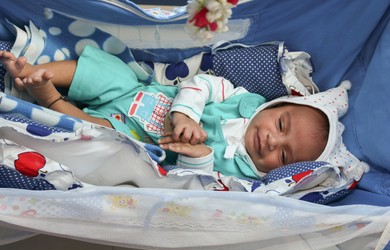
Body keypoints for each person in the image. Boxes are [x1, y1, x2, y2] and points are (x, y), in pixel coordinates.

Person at [1, 45, 349, 180]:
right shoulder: (247, 100)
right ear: (276, 106)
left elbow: (196, 187)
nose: (272, 140)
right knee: (107, 73)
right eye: (281, 123)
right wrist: (185, 114)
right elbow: (202, 84)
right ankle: (36, 70)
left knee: (103, 139)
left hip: (135, 137)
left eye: (284, 154)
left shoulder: (243, 176)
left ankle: (49, 100)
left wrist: (198, 157)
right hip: (136, 94)